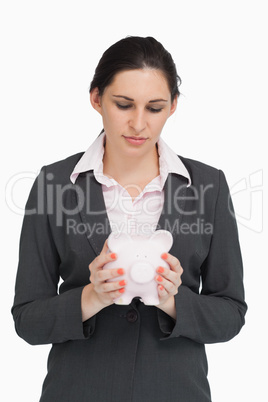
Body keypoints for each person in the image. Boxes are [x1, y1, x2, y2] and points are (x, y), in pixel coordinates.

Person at [11, 36, 247, 402]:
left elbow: (231, 313)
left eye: (155, 107)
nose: (139, 123)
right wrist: (92, 297)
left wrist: (171, 300)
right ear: (96, 99)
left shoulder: (209, 185)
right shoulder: (53, 183)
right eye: (123, 105)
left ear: (173, 107)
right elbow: (28, 319)